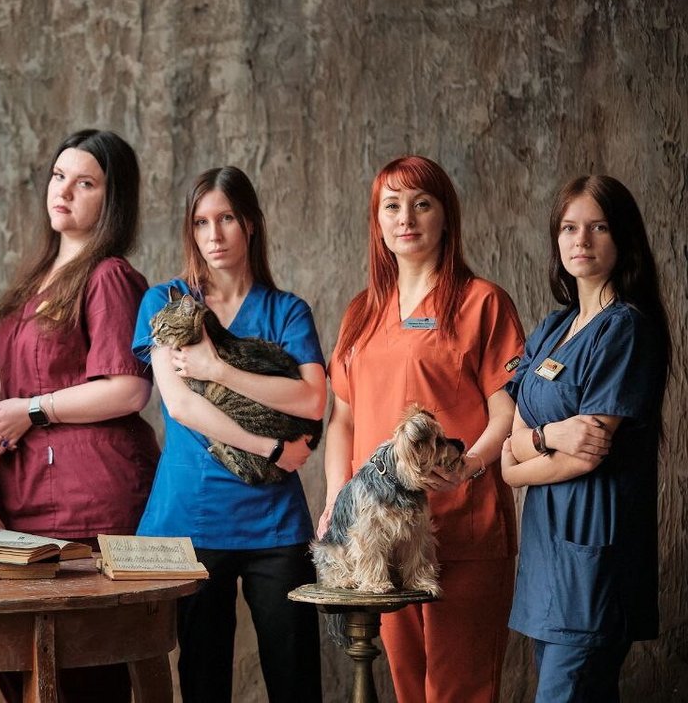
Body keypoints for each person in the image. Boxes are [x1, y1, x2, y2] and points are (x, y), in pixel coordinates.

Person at [320, 155, 525, 703]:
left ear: (445, 215)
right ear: (378, 221)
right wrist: (337, 497)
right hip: (382, 532)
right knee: (408, 686)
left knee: (459, 690)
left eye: (422, 203)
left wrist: (467, 468)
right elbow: (343, 418)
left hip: (463, 525)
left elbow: (507, 412)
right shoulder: (361, 313)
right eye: (392, 206)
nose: (406, 218)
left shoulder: (482, 302)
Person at [0, 129, 160, 703]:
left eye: (85, 183)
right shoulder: (36, 278)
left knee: (82, 670)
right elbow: (11, 370)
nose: (64, 191)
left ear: (111, 199)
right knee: (15, 661)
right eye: (59, 177)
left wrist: (31, 410)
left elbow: (129, 389)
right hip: (20, 495)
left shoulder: (109, 277)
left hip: (87, 501)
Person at [132, 166, 326, 703]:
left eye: (227, 219)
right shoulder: (166, 301)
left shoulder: (286, 310)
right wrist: (270, 447)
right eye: (201, 222)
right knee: (203, 681)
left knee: (297, 681)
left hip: (274, 522)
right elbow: (180, 405)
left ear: (251, 224)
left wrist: (218, 369)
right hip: (193, 518)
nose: (213, 235)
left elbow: (313, 399)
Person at [501, 175, 668, 702]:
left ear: (622, 238)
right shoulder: (554, 328)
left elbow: (585, 456)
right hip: (549, 553)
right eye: (569, 228)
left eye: (598, 228)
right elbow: (512, 439)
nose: (582, 241)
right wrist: (549, 435)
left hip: (593, 551)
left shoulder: (626, 329)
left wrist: (520, 459)